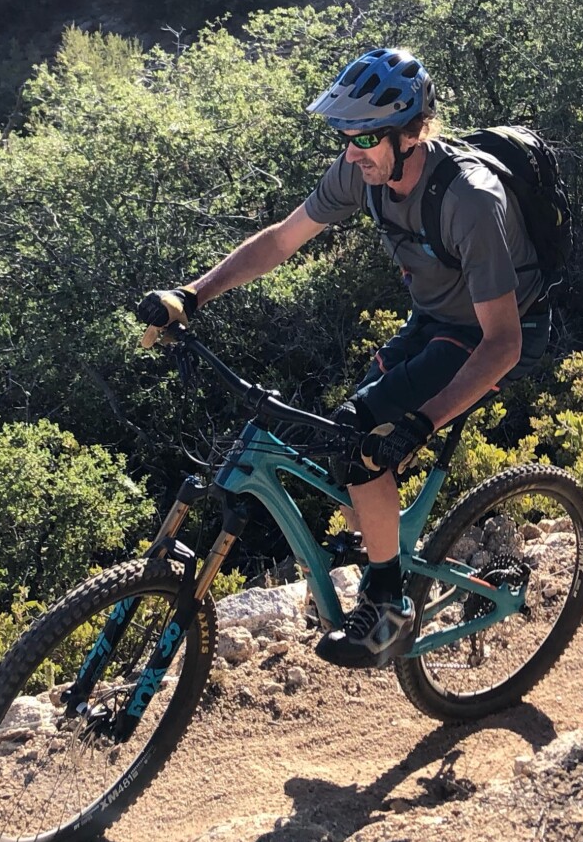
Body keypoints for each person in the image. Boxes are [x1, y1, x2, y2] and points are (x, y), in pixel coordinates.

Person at [135, 48, 547, 668]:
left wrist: (420, 423)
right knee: (345, 436)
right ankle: (388, 545)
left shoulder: (469, 200)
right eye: (345, 136)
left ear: (412, 133)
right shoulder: (363, 171)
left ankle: (389, 608)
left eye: (366, 138)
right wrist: (193, 294)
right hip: (435, 320)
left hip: (492, 331)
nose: (352, 152)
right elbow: (283, 238)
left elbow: (503, 344)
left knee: (365, 441)